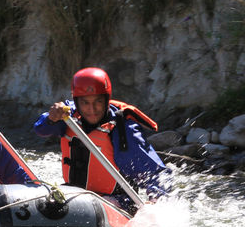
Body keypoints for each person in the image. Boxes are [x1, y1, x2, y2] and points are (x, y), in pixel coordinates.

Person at [33, 67, 169, 212]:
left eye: (98, 101)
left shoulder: (123, 130)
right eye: (85, 103)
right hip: (75, 196)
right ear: (77, 102)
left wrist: (156, 202)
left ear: (106, 99)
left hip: (117, 203)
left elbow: (155, 173)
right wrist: (51, 118)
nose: (92, 109)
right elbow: (41, 130)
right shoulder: (68, 116)